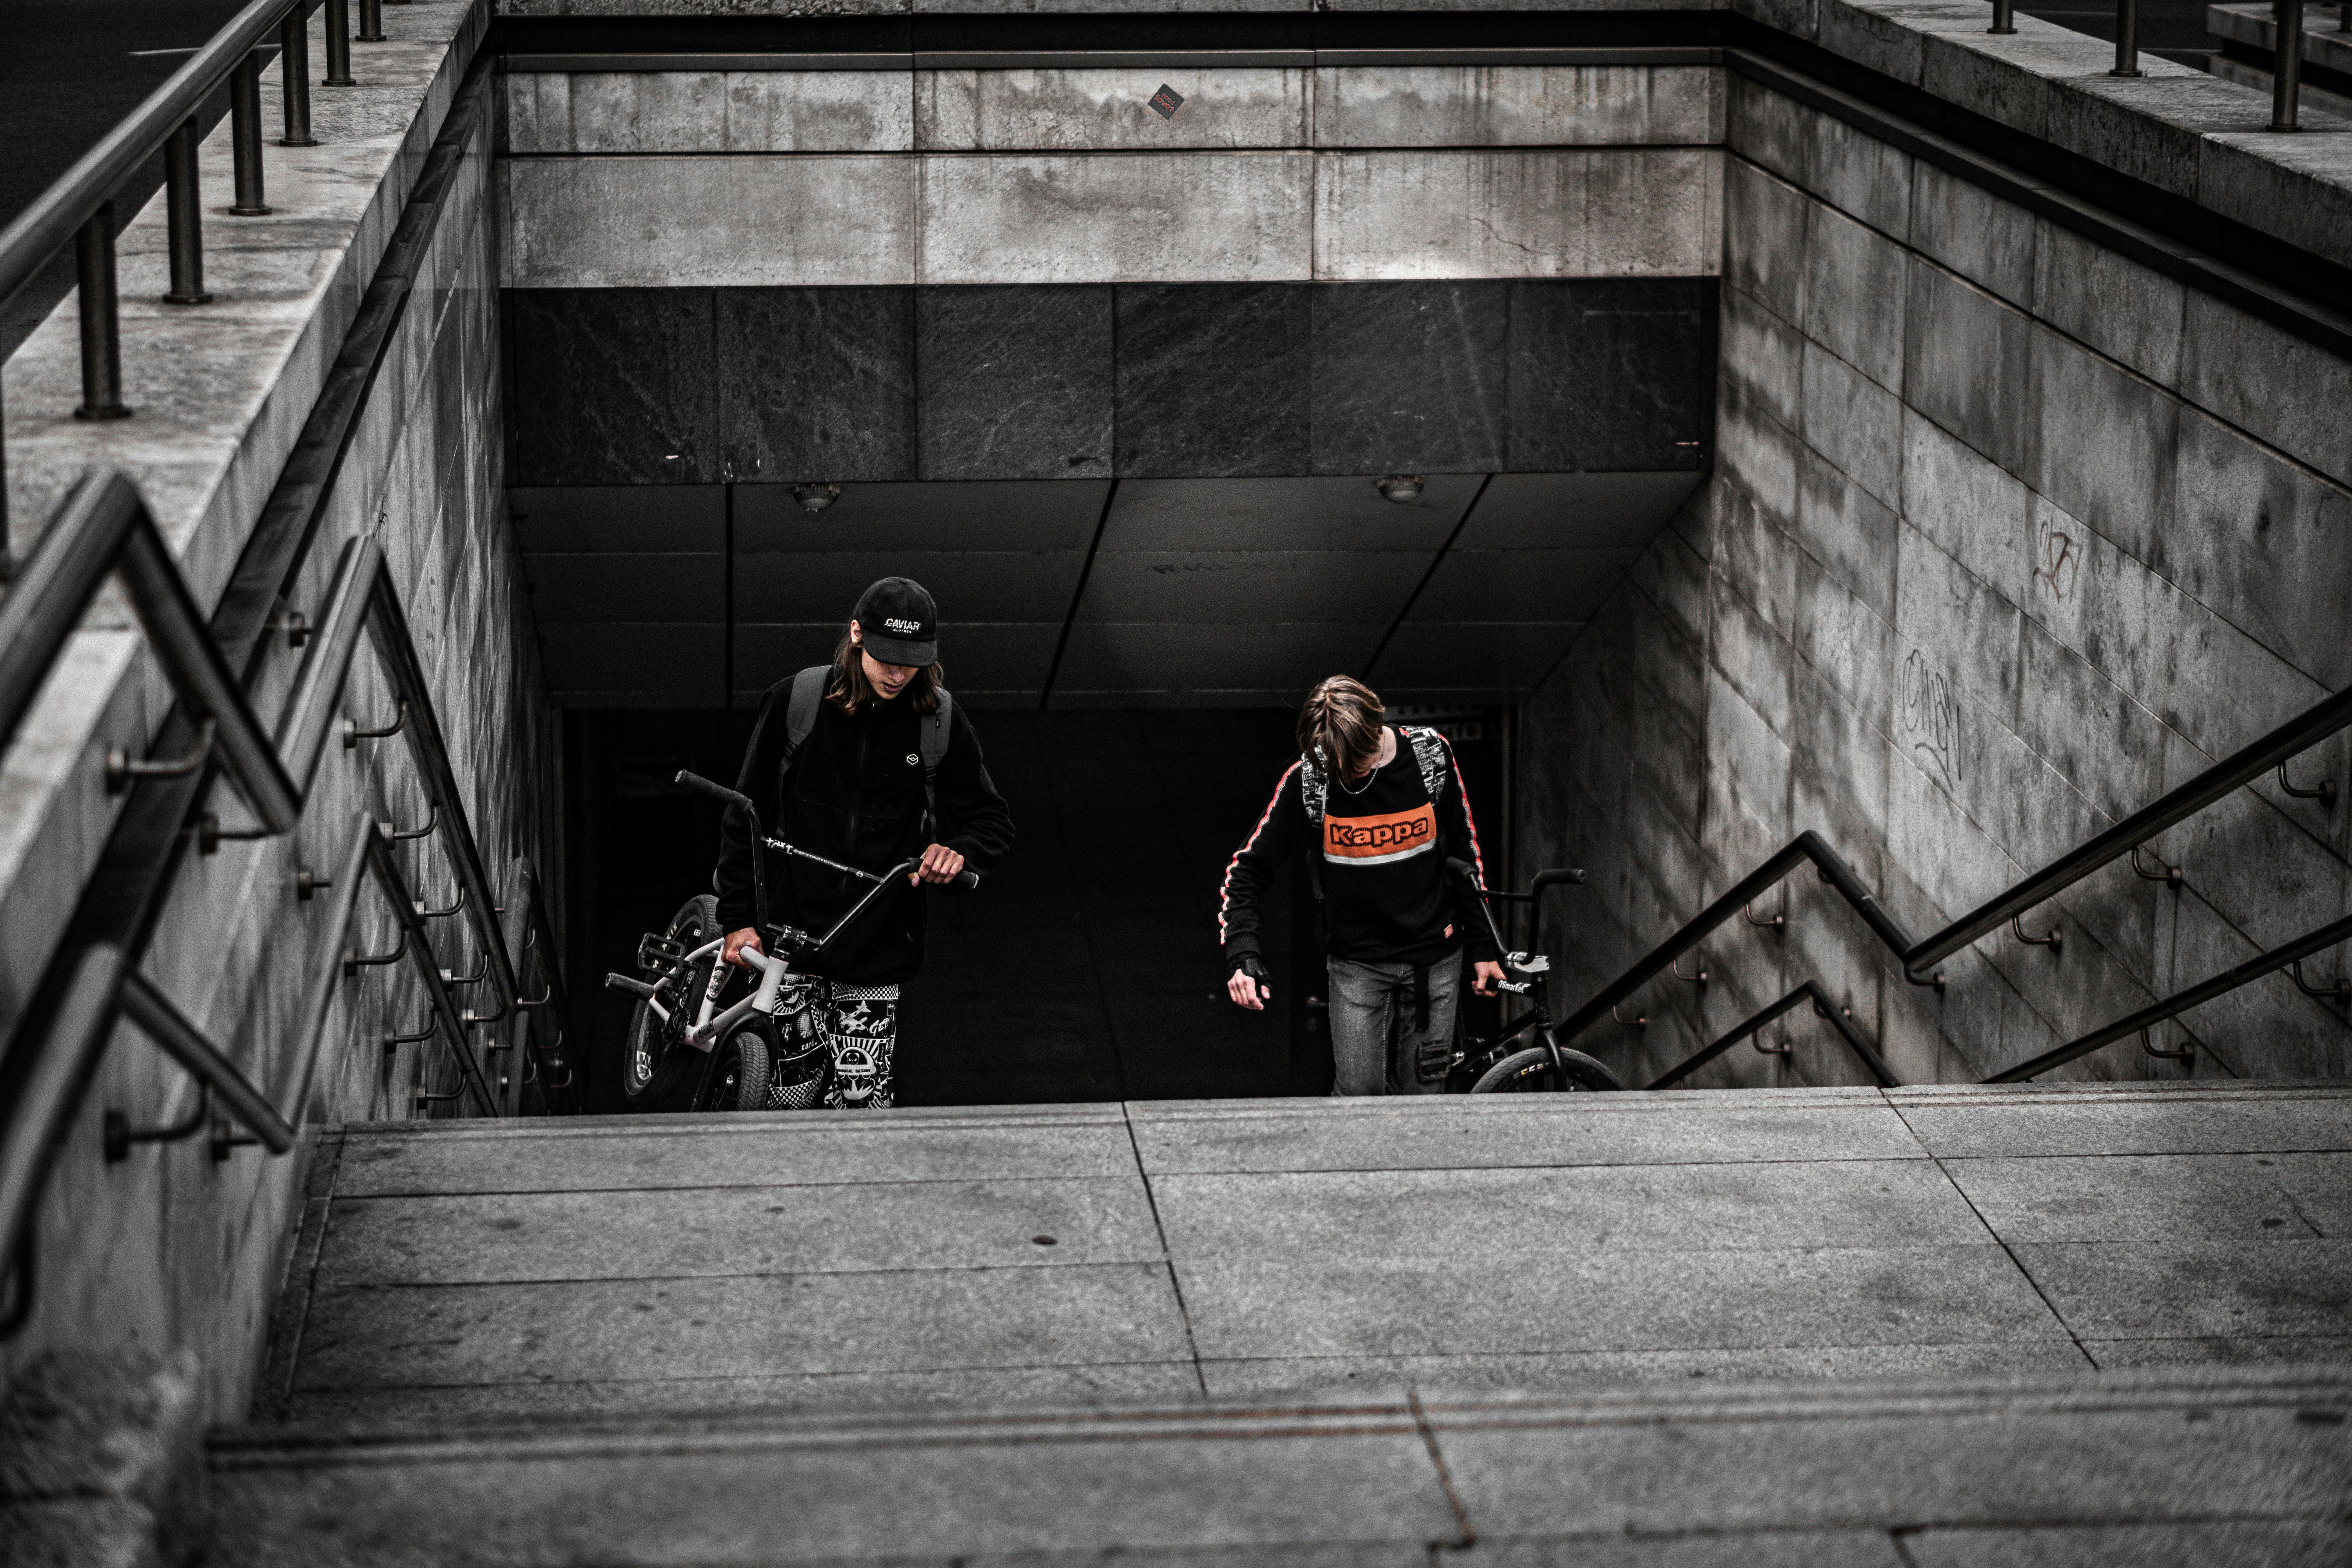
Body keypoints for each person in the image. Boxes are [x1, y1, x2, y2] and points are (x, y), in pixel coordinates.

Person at [713, 577, 1013, 1109]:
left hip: (876, 949)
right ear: (856, 635)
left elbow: (991, 820)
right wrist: (738, 918)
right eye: (887, 657)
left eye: (912, 660)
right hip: (787, 939)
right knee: (786, 1097)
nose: (899, 674)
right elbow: (745, 814)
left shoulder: (938, 722)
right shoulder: (798, 701)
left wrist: (957, 853)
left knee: (861, 1105)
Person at [1218, 675, 1503, 1095]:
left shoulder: (1429, 755)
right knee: (1358, 1099)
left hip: (1435, 962)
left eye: (1359, 757)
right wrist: (1242, 953)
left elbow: (1465, 854)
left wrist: (1483, 946)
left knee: (1425, 1097)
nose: (1351, 771)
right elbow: (1246, 869)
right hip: (1358, 966)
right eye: (1340, 762)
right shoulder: (1311, 778)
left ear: (1377, 725)